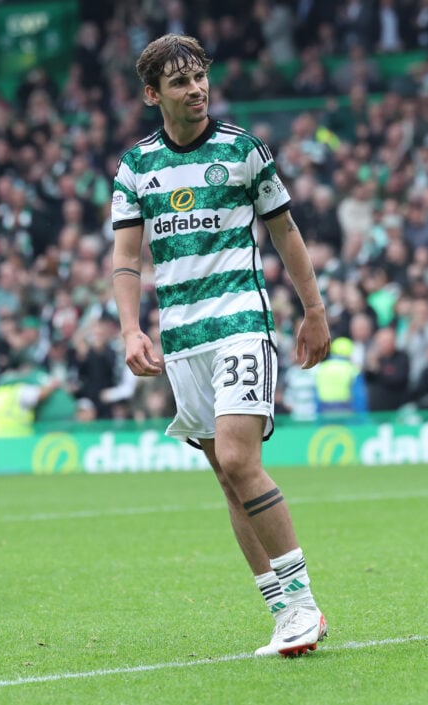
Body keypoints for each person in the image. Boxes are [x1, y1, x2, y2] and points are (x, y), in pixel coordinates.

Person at [111, 34, 331, 658]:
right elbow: (127, 259)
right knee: (227, 480)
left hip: (240, 322)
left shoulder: (243, 150)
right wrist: (131, 328)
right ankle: (284, 610)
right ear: (154, 94)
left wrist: (314, 310)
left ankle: (304, 605)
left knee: (239, 460)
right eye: (180, 82)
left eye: (201, 77)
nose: (197, 89)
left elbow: (286, 234)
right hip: (182, 339)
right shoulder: (136, 167)